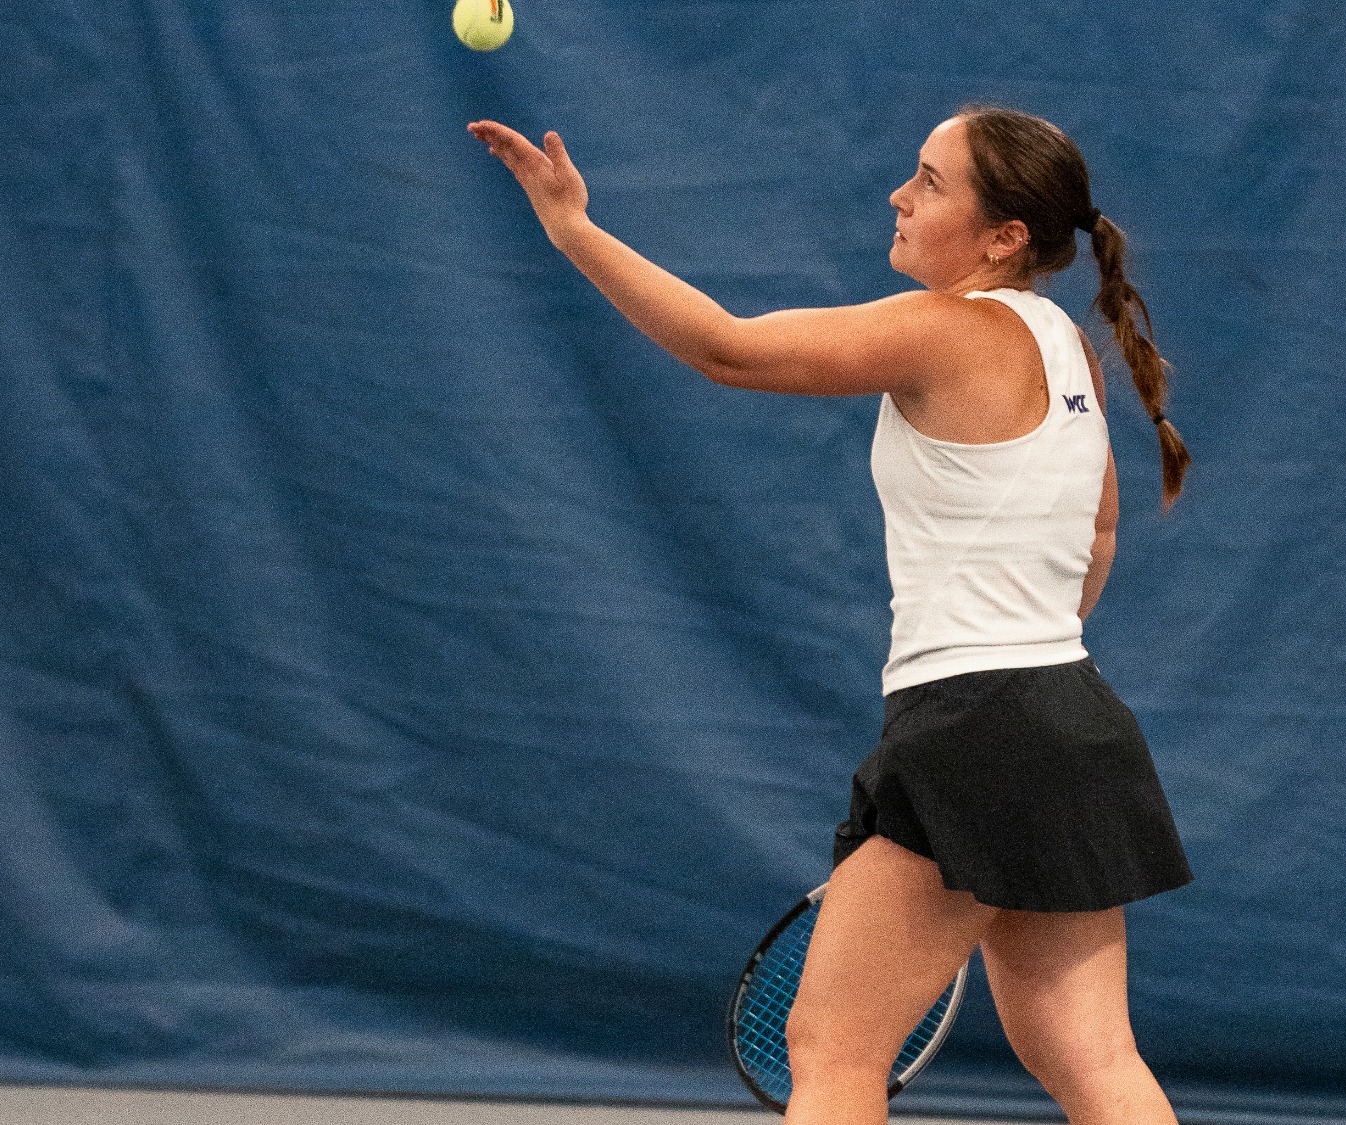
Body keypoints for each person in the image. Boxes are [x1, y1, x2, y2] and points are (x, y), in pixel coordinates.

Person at [471, 104, 1193, 1125]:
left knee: (832, 1048)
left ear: (1002, 238)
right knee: (1093, 1060)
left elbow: (726, 348)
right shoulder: (1063, 350)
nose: (899, 195)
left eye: (930, 183)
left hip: (977, 730)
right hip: (1073, 724)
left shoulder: (943, 328)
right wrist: (1022, 665)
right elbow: (1100, 536)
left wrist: (573, 231)